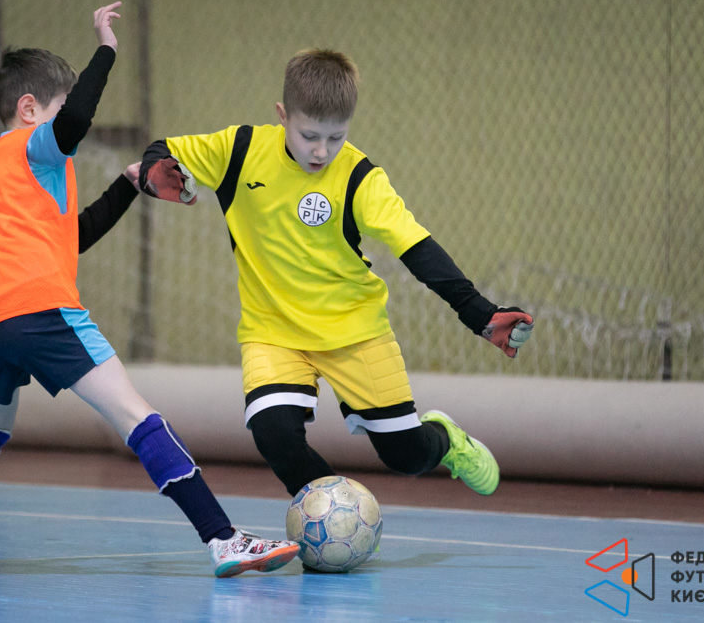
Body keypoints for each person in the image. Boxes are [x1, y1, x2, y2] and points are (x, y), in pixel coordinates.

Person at [0, 2, 299, 578]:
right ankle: (224, 539)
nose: (67, 124)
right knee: (137, 415)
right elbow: (75, 120)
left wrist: (127, 184)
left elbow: (72, 237)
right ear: (29, 109)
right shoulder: (33, 146)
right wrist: (106, 48)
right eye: (56, 108)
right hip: (40, 310)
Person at [135, 49, 534, 501]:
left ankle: (446, 438)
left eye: (336, 137)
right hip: (273, 333)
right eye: (309, 135)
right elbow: (164, 150)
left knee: (406, 456)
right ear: (282, 115)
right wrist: (155, 170)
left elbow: (417, 249)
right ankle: (334, 512)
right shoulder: (240, 151)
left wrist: (479, 313)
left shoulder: (360, 177)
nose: (322, 151)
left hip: (354, 331)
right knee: (274, 435)